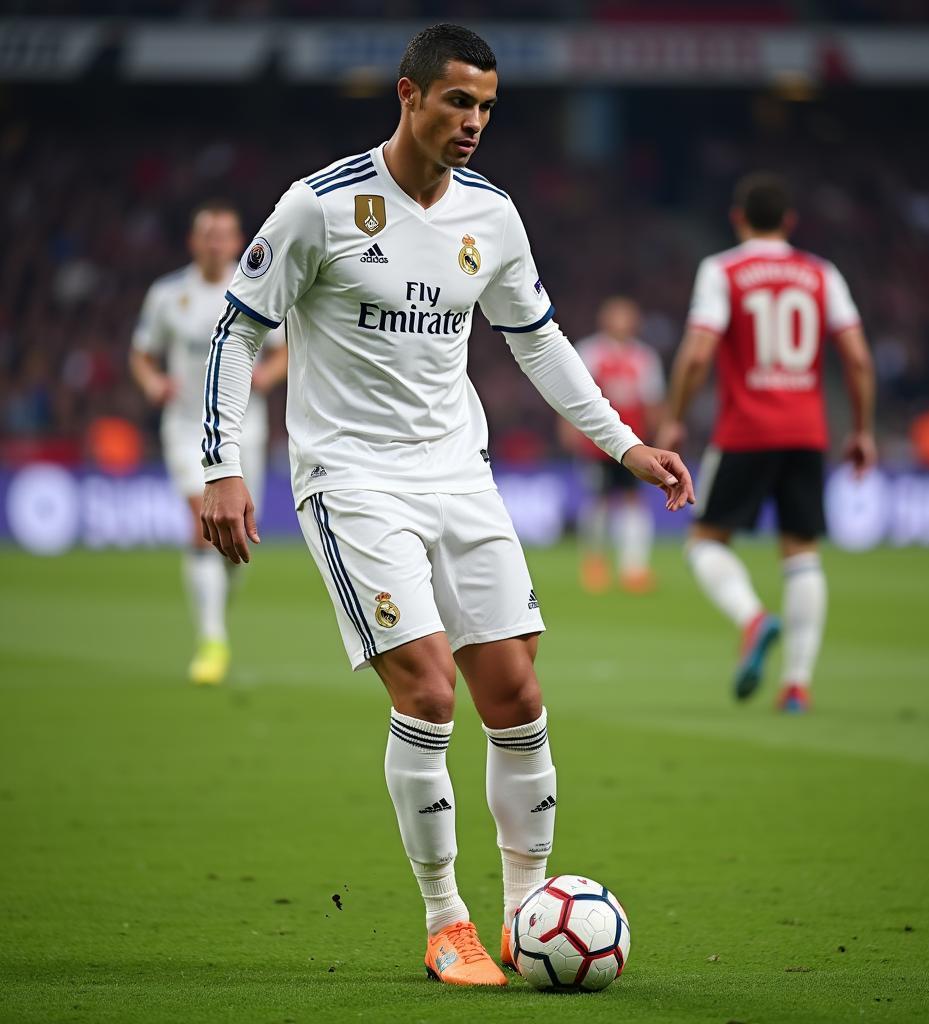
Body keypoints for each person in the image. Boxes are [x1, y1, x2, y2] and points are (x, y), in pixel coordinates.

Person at [198, 24, 694, 987]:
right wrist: (221, 466)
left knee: (517, 698)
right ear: (409, 97)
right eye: (458, 102)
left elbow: (539, 342)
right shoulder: (321, 207)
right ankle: (445, 920)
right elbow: (236, 330)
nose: (474, 123)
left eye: (488, 108)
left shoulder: (494, 218)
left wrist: (626, 444)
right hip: (351, 477)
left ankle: (525, 914)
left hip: (459, 471)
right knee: (428, 691)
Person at [658, 173, 875, 713]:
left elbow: (696, 354)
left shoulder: (723, 270)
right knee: (801, 555)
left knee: (705, 542)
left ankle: (753, 619)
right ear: (790, 222)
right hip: (807, 432)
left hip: (747, 430)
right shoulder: (821, 274)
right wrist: (864, 430)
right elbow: (857, 357)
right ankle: (797, 685)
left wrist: (675, 419)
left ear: (738, 218)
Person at [130, 200, 287, 685]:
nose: (217, 242)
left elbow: (285, 349)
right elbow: (141, 353)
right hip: (186, 427)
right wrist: (153, 384)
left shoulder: (257, 286)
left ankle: (216, 608)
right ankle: (212, 641)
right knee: (202, 518)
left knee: (233, 537)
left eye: (225, 234)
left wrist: (267, 375)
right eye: (208, 234)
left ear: (238, 241)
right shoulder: (168, 294)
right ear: (193, 241)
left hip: (244, 427)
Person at [560, 296, 665, 593]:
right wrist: (568, 427)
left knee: (633, 500)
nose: (621, 323)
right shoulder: (590, 351)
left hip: (632, 442)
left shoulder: (645, 357)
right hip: (597, 443)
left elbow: (653, 401)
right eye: (616, 316)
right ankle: (595, 562)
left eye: (627, 317)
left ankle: (634, 568)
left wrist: (657, 436)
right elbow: (570, 393)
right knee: (598, 501)